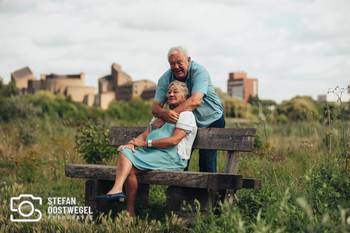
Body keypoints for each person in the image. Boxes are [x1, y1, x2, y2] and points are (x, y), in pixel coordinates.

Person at [97, 80, 197, 217]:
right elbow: (144, 135)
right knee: (124, 151)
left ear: (184, 97)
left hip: (172, 157)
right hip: (153, 153)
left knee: (129, 168)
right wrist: (133, 142)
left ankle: (126, 205)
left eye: (175, 91)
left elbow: (174, 141)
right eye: (169, 92)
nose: (171, 94)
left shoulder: (186, 115)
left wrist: (145, 144)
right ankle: (123, 200)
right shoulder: (160, 116)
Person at [152, 46, 225, 172]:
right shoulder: (165, 78)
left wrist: (166, 117)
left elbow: (195, 101)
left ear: (189, 60)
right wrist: (163, 113)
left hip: (211, 119)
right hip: (187, 121)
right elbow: (155, 107)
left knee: (206, 161)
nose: (176, 67)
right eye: (172, 63)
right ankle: (181, 190)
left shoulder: (199, 71)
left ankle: (210, 191)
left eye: (179, 62)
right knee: (180, 157)